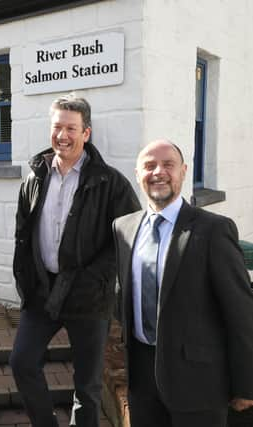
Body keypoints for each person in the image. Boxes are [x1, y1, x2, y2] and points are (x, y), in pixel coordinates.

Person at [9, 93, 140, 427]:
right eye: (57, 127)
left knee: (88, 387)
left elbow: (126, 241)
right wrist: (25, 279)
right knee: (22, 362)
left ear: (86, 133)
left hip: (88, 298)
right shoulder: (35, 177)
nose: (62, 135)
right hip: (42, 293)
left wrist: (94, 281)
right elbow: (23, 234)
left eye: (71, 128)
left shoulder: (111, 183)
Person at [113, 139, 253, 427]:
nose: (158, 172)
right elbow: (124, 295)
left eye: (168, 164)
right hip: (142, 379)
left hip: (199, 385)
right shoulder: (123, 227)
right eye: (149, 166)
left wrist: (245, 385)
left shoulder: (214, 230)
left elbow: (241, 313)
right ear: (137, 173)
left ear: (184, 171)